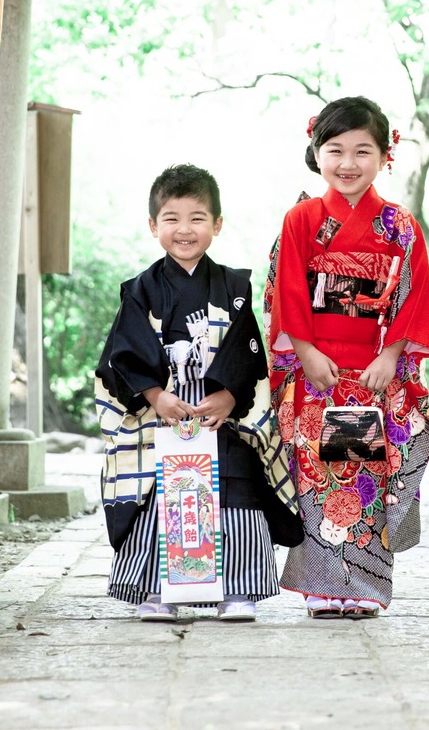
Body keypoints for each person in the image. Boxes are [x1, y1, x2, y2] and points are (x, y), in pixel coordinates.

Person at [95, 163, 302, 623]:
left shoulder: (235, 287)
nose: (184, 229)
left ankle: (237, 589)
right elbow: (123, 354)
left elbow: (250, 354)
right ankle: (156, 591)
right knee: (157, 496)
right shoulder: (140, 290)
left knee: (235, 493)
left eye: (197, 218)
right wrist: (155, 396)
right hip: (161, 418)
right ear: (153, 226)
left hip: (220, 419)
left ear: (217, 225)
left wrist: (229, 396)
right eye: (171, 218)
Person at [265, 96, 429, 619]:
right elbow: (285, 292)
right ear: (316, 152)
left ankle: (362, 588)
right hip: (317, 369)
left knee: (361, 479)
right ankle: (321, 586)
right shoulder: (301, 220)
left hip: (369, 372)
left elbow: (414, 295)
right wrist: (305, 350)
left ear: (385, 155)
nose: (347, 163)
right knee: (319, 479)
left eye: (363, 151)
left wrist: (390, 355)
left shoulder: (399, 226)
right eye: (335, 149)